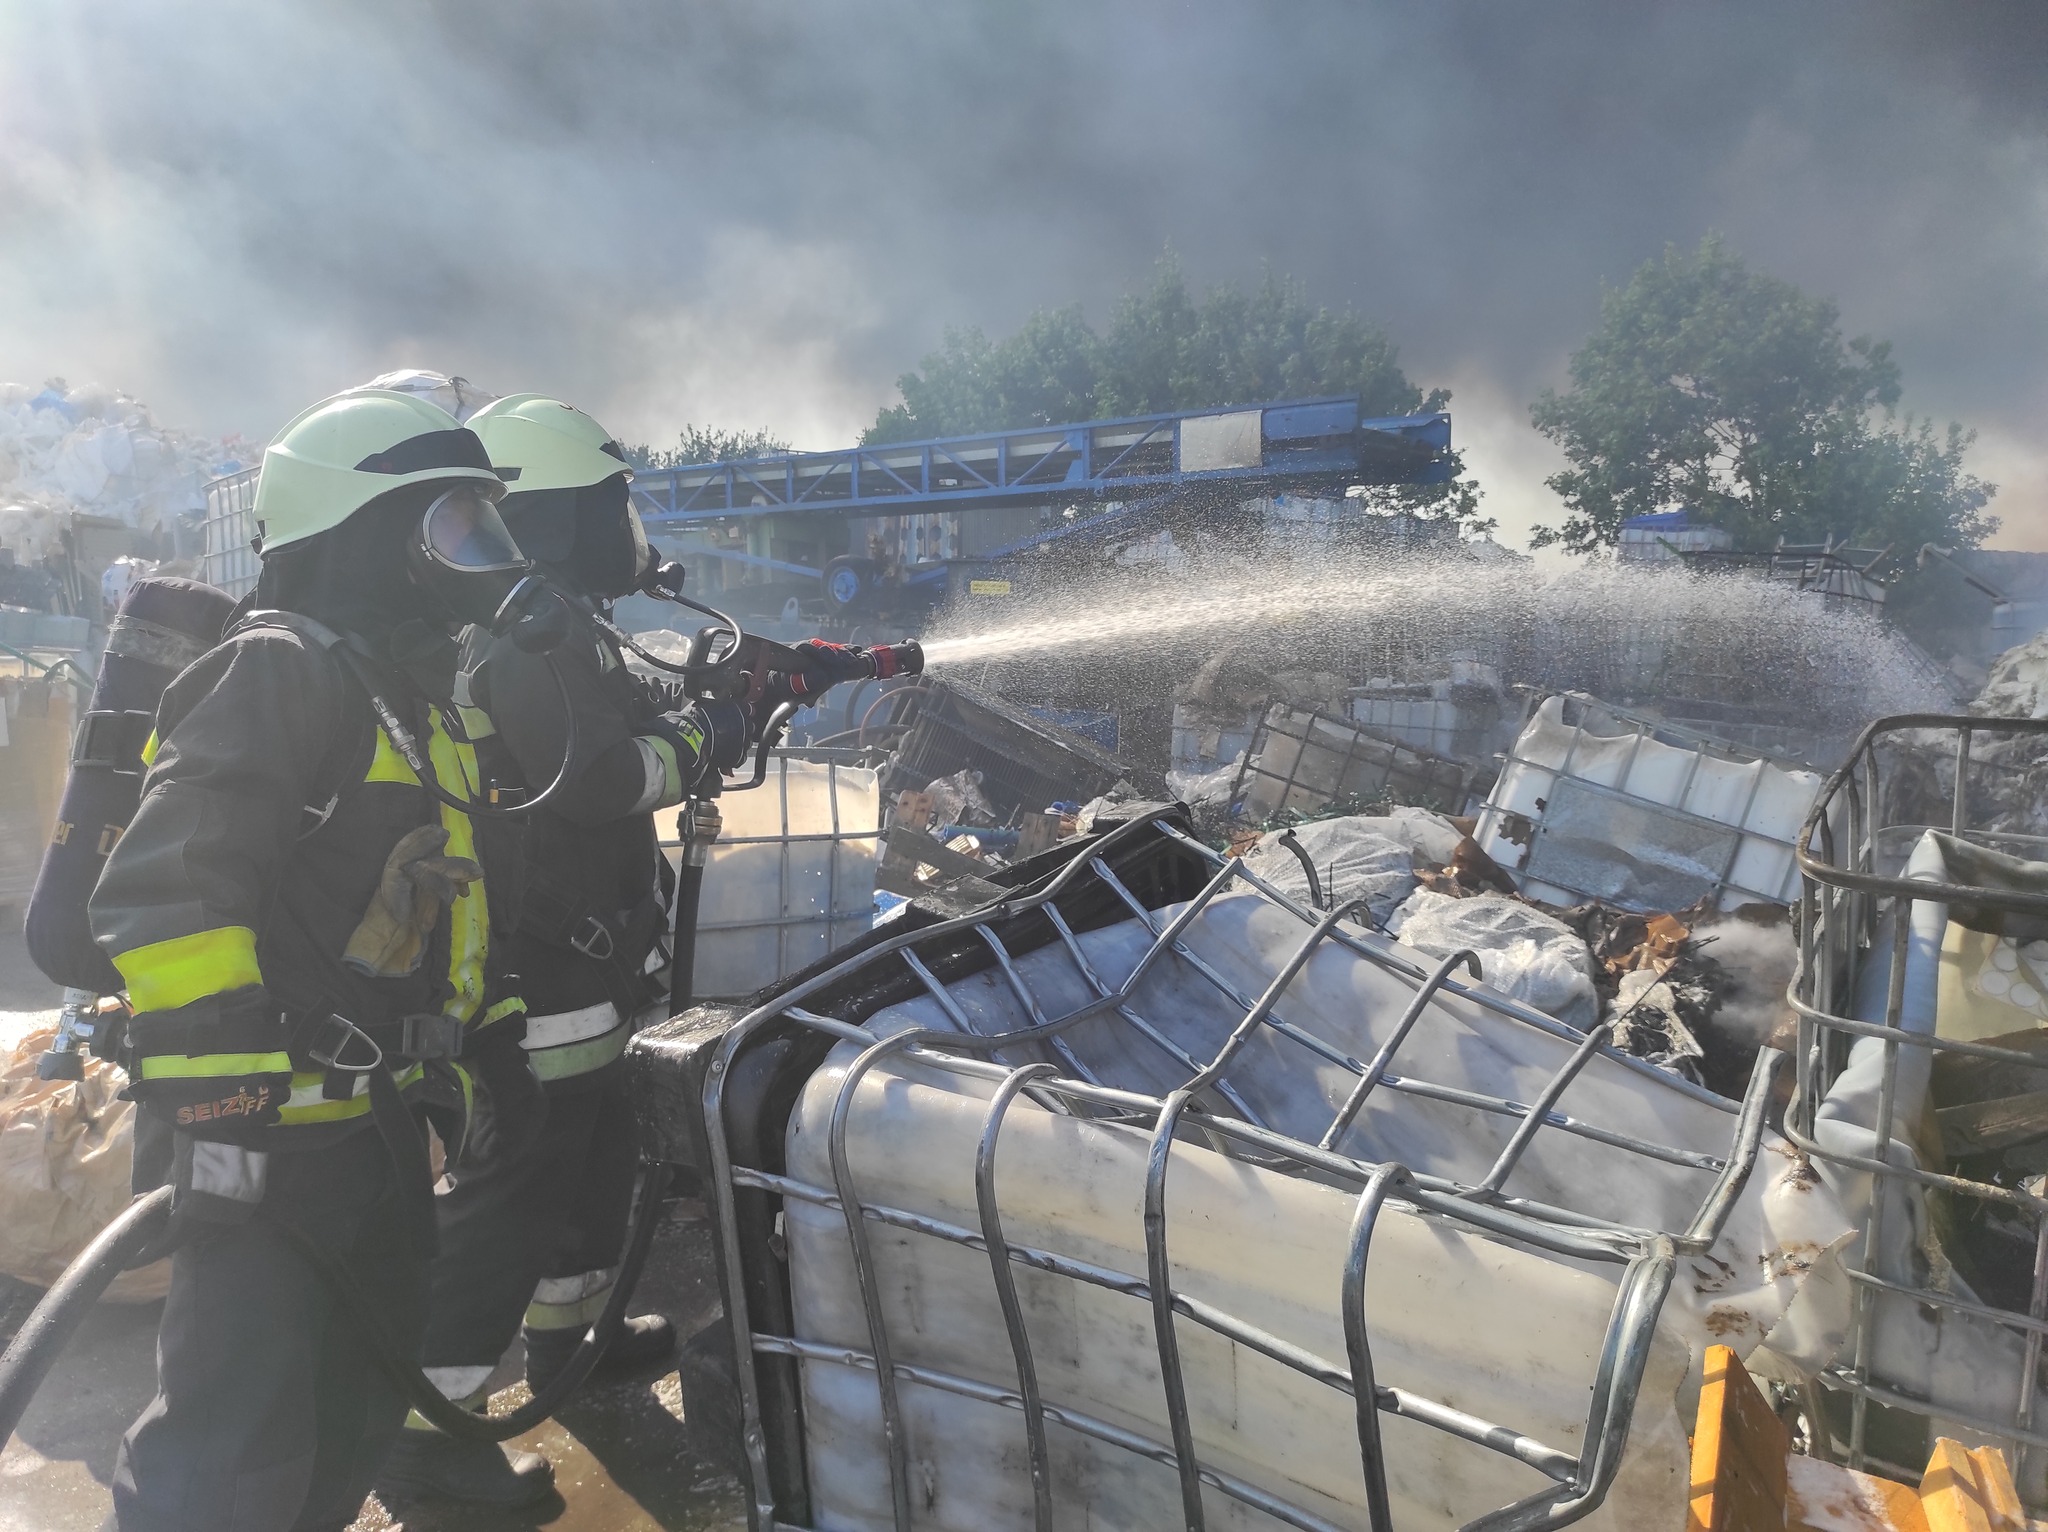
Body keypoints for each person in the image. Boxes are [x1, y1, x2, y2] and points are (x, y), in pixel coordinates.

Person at [89, 388, 548, 1532]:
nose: (479, 558)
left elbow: (449, 910)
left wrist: (485, 1042)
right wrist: (227, 1098)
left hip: (374, 1133)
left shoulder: (415, 701)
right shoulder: (277, 668)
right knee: (229, 1437)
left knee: (351, 1408)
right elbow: (168, 888)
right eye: (452, 526)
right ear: (363, 533)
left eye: (485, 525)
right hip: (266, 1142)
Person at [375, 395, 748, 1506]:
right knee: (518, 1185)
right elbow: (596, 780)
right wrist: (709, 735)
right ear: (555, 513)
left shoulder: (560, 624)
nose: (624, 523)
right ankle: (426, 1434)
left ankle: (568, 1343)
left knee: (592, 1162)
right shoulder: (520, 641)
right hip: (538, 968)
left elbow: (620, 726)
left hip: (584, 957)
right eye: (608, 501)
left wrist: (713, 698)